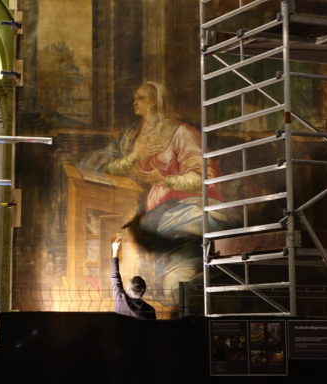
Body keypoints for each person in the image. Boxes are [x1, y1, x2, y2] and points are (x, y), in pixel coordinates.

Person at [81, 81, 230, 303]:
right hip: (156, 218)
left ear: (156, 102)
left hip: (188, 214)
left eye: (141, 98)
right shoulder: (133, 136)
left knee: (175, 289)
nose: (135, 102)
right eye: (135, 97)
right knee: (169, 289)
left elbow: (204, 178)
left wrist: (164, 180)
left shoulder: (182, 133)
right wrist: (134, 158)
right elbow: (107, 164)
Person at [110, 237, 156, 320]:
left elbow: (114, 276)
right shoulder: (149, 310)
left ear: (128, 288)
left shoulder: (120, 300)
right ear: (142, 293)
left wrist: (115, 250)